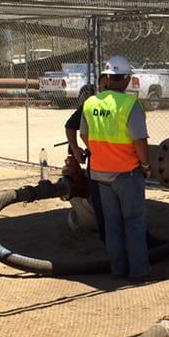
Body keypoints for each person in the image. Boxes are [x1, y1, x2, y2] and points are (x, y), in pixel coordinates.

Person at [80, 56, 151, 281]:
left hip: (100, 172)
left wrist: (99, 151)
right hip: (127, 172)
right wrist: (146, 165)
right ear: (127, 79)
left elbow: (84, 134)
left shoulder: (91, 103)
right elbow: (140, 141)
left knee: (112, 224)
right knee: (134, 221)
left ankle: (118, 269)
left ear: (108, 77)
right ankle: (139, 272)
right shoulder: (130, 105)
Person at [65, 81, 105, 241]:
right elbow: (70, 126)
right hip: (103, 159)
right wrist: (75, 149)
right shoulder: (90, 106)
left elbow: (76, 130)